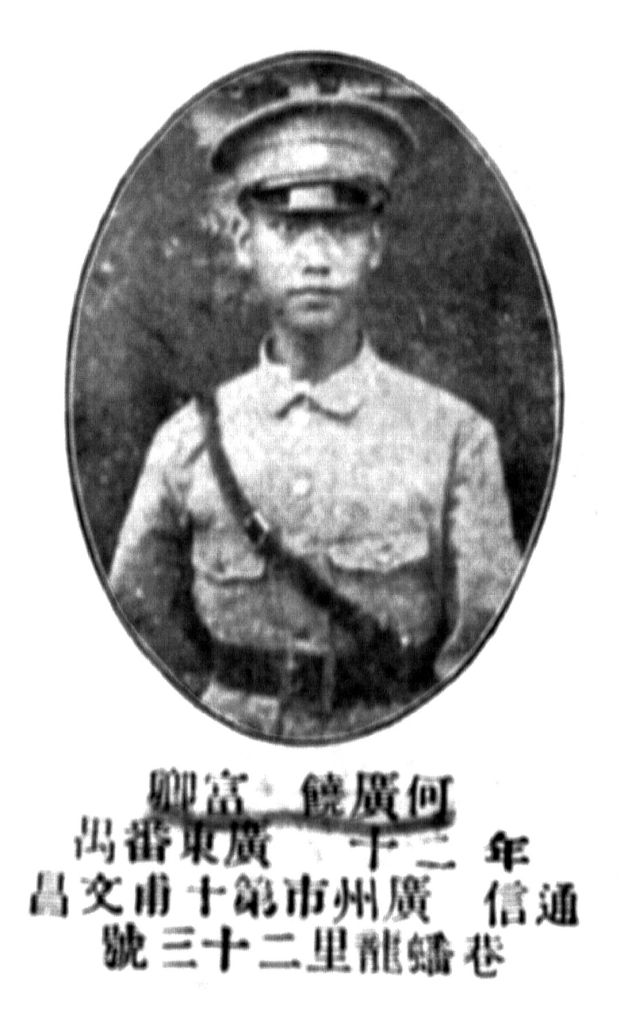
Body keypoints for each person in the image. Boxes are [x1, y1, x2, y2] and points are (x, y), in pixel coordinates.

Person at [109, 83, 520, 738]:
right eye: (287, 228)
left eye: (344, 229)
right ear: (244, 242)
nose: (317, 258)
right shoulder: (186, 443)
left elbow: (485, 653)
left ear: (375, 245)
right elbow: (135, 635)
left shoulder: (452, 438)